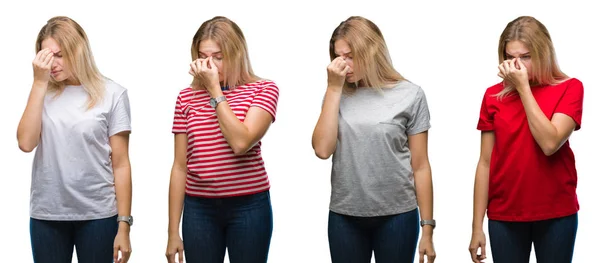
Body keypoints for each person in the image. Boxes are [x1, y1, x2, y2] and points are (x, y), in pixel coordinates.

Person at [312, 16, 436, 263]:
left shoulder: (410, 94)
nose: (343, 64)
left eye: (350, 56)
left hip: (397, 215)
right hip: (344, 215)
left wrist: (427, 228)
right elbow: (322, 150)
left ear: (372, 51)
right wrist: (333, 89)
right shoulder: (335, 93)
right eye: (339, 56)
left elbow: (420, 165)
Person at [17, 16, 133, 263]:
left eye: (59, 55)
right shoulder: (41, 92)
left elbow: (121, 164)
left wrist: (124, 224)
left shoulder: (113, 94)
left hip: (98, 215)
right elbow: (26, 143)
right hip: (47, 215)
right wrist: (39, 82)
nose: (53, 64)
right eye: (46, 56)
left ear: (77, 50)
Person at [468, 16, 583, 263]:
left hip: (556, 213)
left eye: (526, 57)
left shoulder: (570, 88)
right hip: (504, 214)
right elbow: (485, 163)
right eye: (510, 58)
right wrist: (477, 226)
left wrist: (522, 89)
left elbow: (550, 143)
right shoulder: (492, 96)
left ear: (544, 53)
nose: (516, 65)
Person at [165, 16, 279, 263]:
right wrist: (173, 231)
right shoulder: (186, 98)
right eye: (203, 57)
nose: (210, 65)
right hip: (199, 208)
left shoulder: (263, 89)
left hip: (249, 206)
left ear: (236, 54)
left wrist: (215, 91)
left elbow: (241, 143)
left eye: (218, 57)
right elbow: (179, 166)